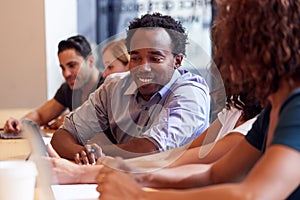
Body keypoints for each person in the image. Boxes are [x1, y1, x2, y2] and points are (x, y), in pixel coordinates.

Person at [95, 1, 300, 199]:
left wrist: (138, 196)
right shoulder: (272, 111)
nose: (221, 65)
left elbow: (252, 195)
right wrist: (139, 175)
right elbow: (213, 174)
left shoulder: (296, 105)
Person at [50, 13, 211, 164]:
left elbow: (149, 149)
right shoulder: (113, 87)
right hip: (123, 180)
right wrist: (82, 153)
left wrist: (98, 152)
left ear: (177, 61)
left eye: (155, 58)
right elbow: (63, 136)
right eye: (135, 58)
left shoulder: (191, 93)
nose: (144, 67)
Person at [3, 35, 102, 132]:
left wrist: (72, 119)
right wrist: (18, 125)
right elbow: (40, 115)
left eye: (72, 65)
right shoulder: (68, 88)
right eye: (62, 68)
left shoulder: (109, 86)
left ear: (90, 61)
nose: (65, 74)